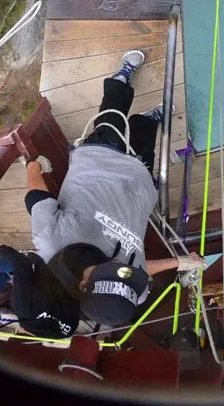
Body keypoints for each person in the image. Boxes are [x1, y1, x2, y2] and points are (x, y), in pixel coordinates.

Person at [24, 49, 206, 328]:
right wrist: (180, 263)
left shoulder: (51, 244)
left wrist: (33, 166)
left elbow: (38, 199)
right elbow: (141, 269)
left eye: (113, 272)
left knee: (112, 113)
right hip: (139, 185)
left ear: (83, 285)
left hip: (99, 163)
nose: (124, 272)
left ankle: (121, 78)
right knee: (144, 134)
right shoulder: (130, 287)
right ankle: (148, 120)